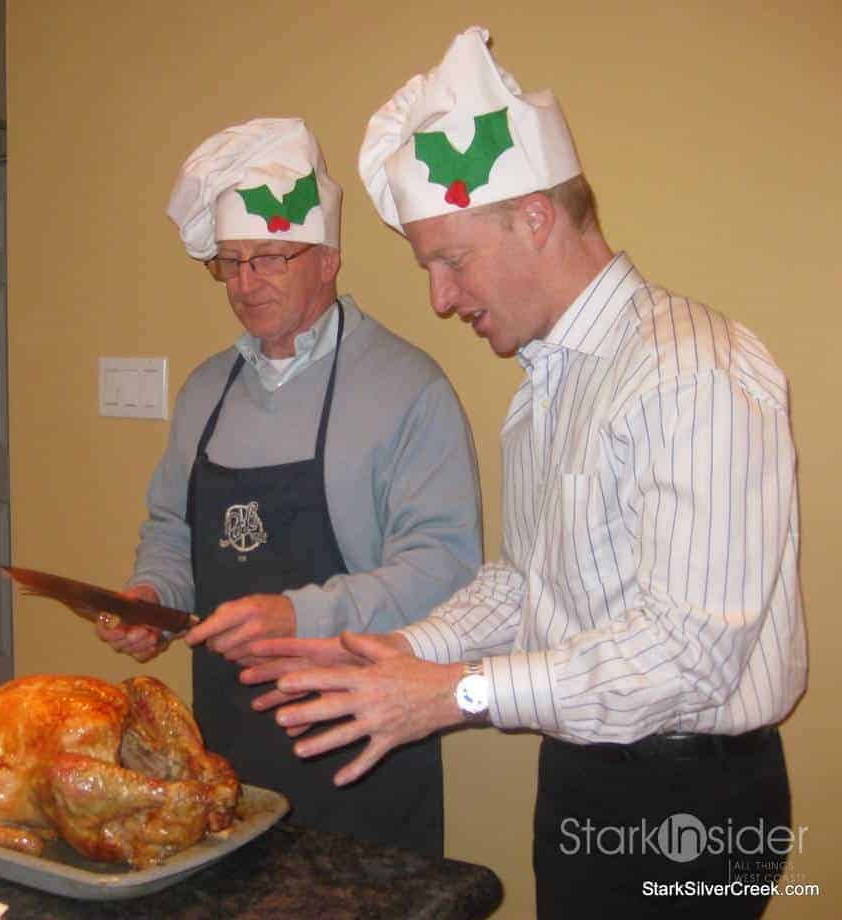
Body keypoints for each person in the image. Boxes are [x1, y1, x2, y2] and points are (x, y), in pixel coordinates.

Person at [241, 29, 807, 918]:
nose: (440, 298)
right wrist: (407, 651)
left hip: (693, 799)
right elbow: (526, 583)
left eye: (451, 260)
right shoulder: (546, 388)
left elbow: (686, 654)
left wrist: (456, 693)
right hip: (582, 771)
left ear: (536, 218)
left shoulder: (689, 368)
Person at [96, 117, 483, 857]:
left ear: (328, 258)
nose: (246, 283)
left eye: (271, 257)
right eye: (231, 262)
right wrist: (152, 596)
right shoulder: (206, 389)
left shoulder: (407, 387)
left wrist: (298, 615)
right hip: (225, 745)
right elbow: (172, 527)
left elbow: (445, 570)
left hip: (362, 737)